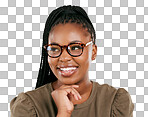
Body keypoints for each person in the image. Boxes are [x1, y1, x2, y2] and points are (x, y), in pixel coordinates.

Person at [10, 5, 134, 117]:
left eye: (75, 47)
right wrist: (63, 113)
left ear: (93, 52)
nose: (64, 58)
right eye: (54, 48)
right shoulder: (28, 105)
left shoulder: (114, 101)